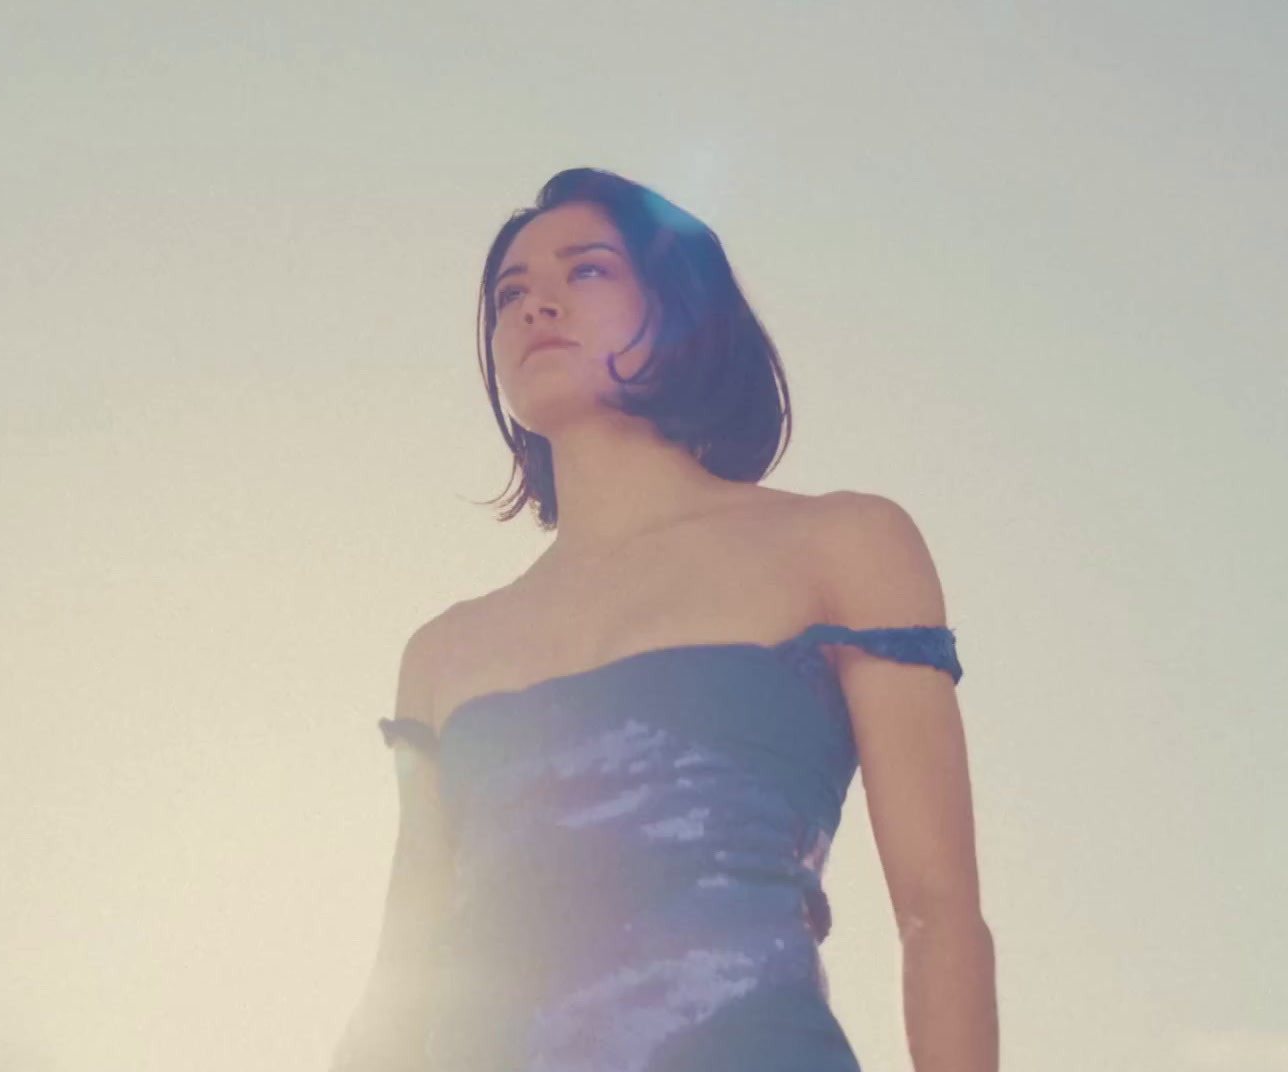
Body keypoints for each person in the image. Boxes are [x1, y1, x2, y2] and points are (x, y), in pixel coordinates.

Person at [331, 167, 997, 1072]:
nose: (537, 306)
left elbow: (937, 911)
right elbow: (401, 989)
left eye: (588, 271)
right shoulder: (443, 651)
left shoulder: (842, 543)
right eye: (510, 293)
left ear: (684, 311)